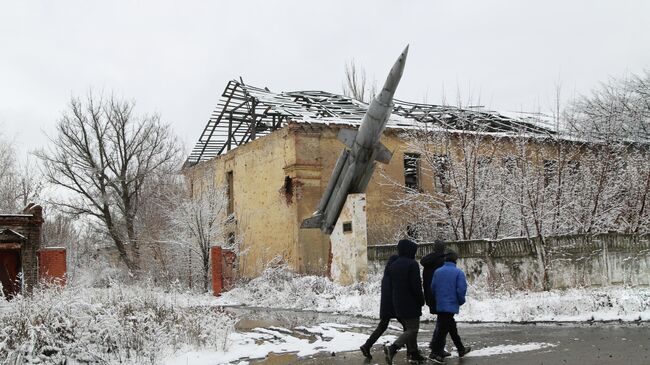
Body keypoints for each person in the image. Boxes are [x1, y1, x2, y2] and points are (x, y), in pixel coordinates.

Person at [383, 239, 426, 364]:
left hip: (397, 302)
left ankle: (414, 352)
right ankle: (393, 348)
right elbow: (416, 286)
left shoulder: (394, 264)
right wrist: (421, 299)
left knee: (408, 328)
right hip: (410, 302)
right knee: (413, 329)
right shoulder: (412, 264)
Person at [428, 250, 471, 363]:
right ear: (455, 260)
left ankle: (460, 349)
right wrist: (460, 301)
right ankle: (436, 352)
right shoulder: (458, 273)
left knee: (450, 326)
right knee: (443, 329)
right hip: (451, 304)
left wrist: (439, 299)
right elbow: (461, 290)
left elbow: (433, 288)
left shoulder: (437, 272)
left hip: (440, 304)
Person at [359, 254, 399, 359]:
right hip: (394, 305)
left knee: (382, 326)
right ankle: (411, 350)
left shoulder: (386, 275)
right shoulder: (393, 275)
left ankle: (367, 345)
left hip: (386, 306)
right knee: (408, 327)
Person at [419, 240, 451, 357]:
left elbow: (425, 281)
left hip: (430, 295)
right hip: (440, 296)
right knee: (443, 323)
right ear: (443, 249)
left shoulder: (427, 262)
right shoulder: (441, 262)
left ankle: (438, 348)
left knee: (443, 322)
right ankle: (436, 350)